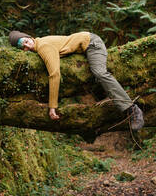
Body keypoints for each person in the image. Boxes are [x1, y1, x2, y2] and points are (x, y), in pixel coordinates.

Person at [9, 31, 144, 130]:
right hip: (86, 46)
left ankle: (132, 109)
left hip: (92, 43)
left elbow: (55, 74)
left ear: (29, 37)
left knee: (100, 73)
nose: (28, 47)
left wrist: (52, 107)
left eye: (26, 41)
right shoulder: (41, 42)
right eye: (23, 47)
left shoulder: (43, 46)